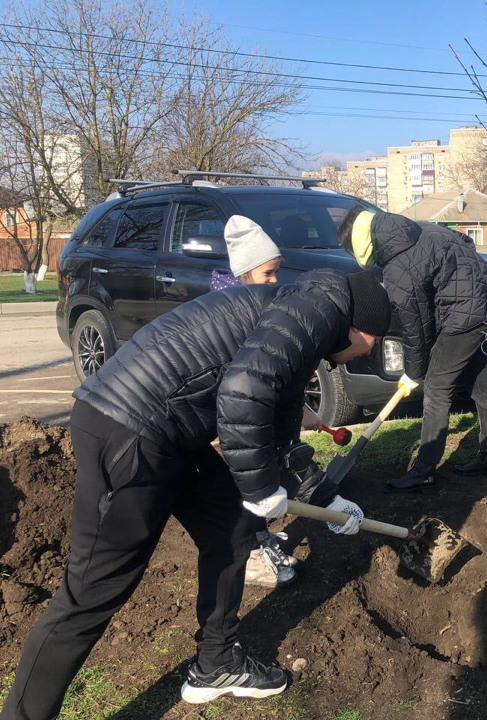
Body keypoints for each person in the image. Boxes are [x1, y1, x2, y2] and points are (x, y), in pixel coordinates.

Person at [0, 268, 393, 716]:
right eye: (374, 342)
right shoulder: (318, 311)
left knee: (232, 523)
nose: (369, 351)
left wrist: (325, 498)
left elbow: (280, 420)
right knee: (89, 594)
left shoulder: (306, 310)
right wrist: (262, 488)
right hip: (128, 429)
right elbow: (245, 390)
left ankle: (216, 661)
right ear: (361, 326)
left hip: (167, 432)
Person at [338, 206, 487, 492]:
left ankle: (424, 470)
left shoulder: (397, 265)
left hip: (462, 314)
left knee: (437, 389)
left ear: (360, 245)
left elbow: (416, 326)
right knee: (481, 385)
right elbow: (466, 243)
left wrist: (413, 371)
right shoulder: (418, 227)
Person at [213, 214, 296, 590]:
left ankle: (260, 538)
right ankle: (249, 554)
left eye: (277, 272)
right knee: (242, 485)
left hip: (246, 413)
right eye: (268, 274)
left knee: (260, 476)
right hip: (228, 416)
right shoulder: (232, 312)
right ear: (245, 273)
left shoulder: (251, 305)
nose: (275, 281)